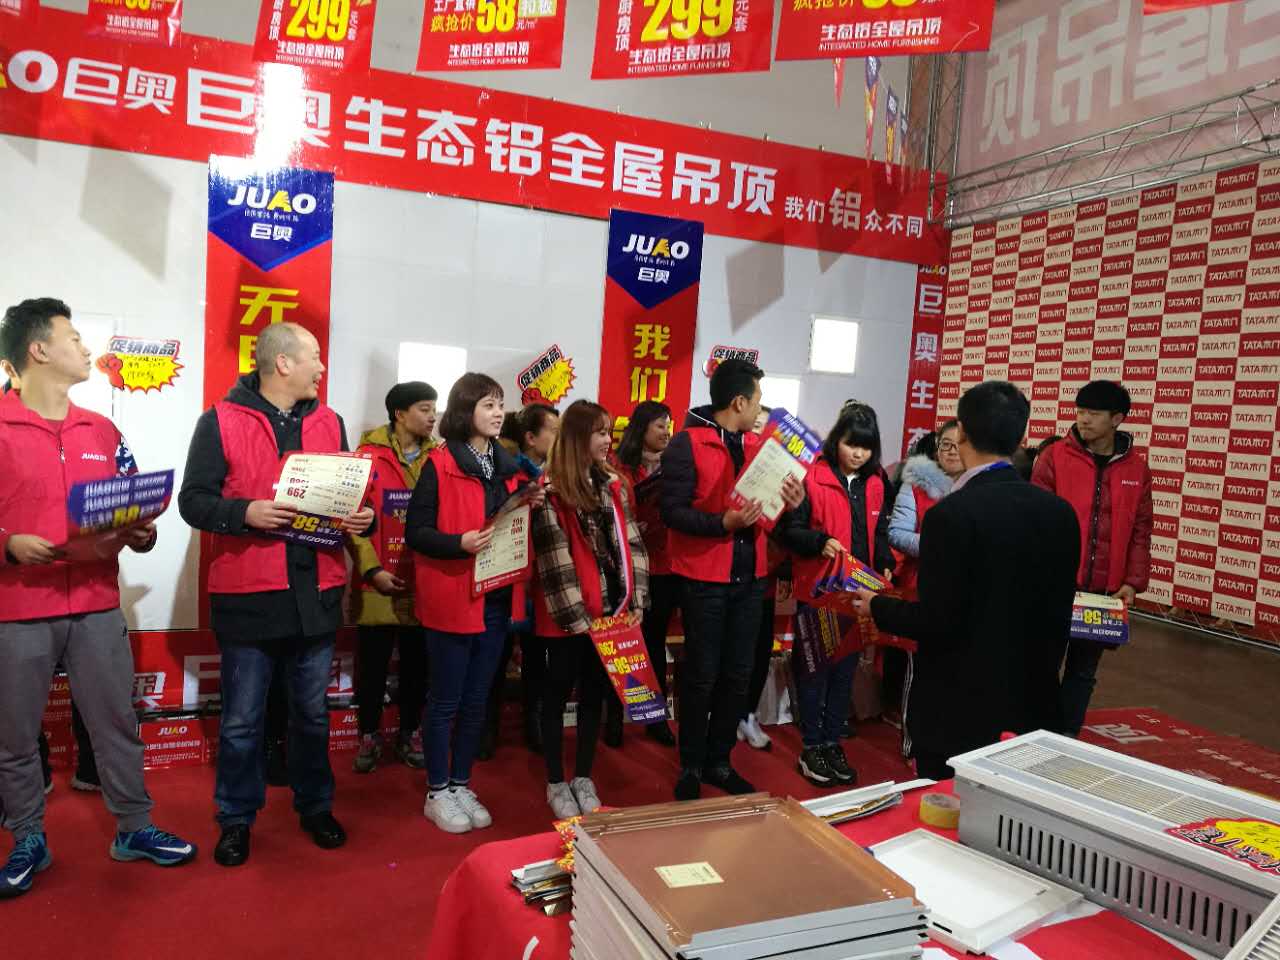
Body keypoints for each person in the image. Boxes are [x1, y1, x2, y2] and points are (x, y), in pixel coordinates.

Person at [0, 298, 196, 898]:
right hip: (17, 609)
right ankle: (28, 837)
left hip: (96, 603)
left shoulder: (102, 429)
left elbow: (127, 505)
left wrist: (141, 532)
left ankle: (133, 827)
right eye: (74, 338)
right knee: (13, 738)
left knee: (116, 725)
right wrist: (8, 545)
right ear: (37, 350)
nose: (87, 349)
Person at [179, 322, 372, 867]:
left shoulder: (330, 422)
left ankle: (316, 806)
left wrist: (363, 515)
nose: (322, 367)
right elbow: (193, 501)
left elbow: (349, 494)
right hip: (250, 596)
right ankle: (236, 818)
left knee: (312, 715)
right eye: (314, 357)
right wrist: (246, 512)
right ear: (282, 363)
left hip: (317, 592)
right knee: (242, 721)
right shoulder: (220, 420)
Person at [850, 381, 1080, 780]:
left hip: (960, 714)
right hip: (1033, 708)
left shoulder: (952, 515)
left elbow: (936, 620)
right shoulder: (1060, 513)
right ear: (1021, 438)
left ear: (962, 434)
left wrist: (877, 606)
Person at [661, 359, 803, 801]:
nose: (760, 410)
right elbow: (672, 513)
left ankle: (719, 761)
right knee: (701, 675)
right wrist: (722, 523)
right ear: (739, 402)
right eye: (757, 401)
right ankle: (690, 764)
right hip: (704, 578)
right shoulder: (687, 444)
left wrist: (791, 502)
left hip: (751, 578)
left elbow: (768, 518)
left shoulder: (761, 448)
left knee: (738, 674)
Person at [406, 373, 539, 834]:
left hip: (497, 597)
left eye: (500, 404)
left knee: (478, 699)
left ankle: (461, 783)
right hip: (452, 596)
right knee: (445, 700)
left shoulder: (508, 466)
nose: (498, 413)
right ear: (465, 411)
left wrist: (530, 501)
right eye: (488, 404)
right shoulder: (439, 464)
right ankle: (437, 791)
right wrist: (457, 543)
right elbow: (416, 533)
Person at [533, 401, 649, 817]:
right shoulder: (548, 490)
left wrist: (635, 599)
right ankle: (554, 781)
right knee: (557, 692)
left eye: (608, 432)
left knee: (594, 694)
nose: (607, 441)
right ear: (578, 437)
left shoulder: (613, 485)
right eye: (600, 433)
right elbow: (554, 561)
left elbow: (632, 544)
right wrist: (579, 620)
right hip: (568, 618)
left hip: (610, 615)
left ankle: (583, 775)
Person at [778, 402, 894, 787]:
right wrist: (819, 541)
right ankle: (811, 747)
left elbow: (879, 532)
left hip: (859, 593)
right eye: (851, 444)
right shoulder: (811, 477)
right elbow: (788, 530)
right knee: (814, 672)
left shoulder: (876, 483)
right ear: (836, 440)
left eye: (866, 447)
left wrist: (884, 562)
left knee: (844, 674)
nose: (858, 453)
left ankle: (832, 743)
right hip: (819, 592)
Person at [1031, 381, 1152, 736]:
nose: (1083, 419)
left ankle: (1066, 737)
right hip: (1055, 586)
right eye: (1080, 411)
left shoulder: (1137, 469)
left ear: (1117, 419)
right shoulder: (1054, 457)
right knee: (1041, 666)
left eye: (1094, 414)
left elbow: (1141, 530)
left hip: (1104, 594)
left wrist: (1132, 583)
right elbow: (1035, 520)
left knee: (1083, 672)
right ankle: (1034, 735)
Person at [347, 382, 438, 774]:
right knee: (372, 668)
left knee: (418, 668)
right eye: (424, 409)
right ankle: (369, 735)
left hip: (424, 583)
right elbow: (351, 519)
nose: (433, 417)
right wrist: (372, 570)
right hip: (377, 584)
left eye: (434, 409)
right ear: (400, 414)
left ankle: (410, 733)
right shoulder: (366, 457)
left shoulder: (441, 457)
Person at [482, 403, 559, 758]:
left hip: (543, 580)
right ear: (530, 437)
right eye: (553, 431)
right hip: (503, 576)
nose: (559, 438)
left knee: (538, 660)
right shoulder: (504, 471)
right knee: (493, 660)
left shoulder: (560, 473)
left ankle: (535, 724)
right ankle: (486, 729)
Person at [884, 420, 963, 737]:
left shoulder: (978, 488)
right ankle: (913, 735)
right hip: (921, 584)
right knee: (918, 664)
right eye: (946, 445)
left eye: (959, 445)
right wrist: (941, 546)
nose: (952, 452)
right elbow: (897, 534)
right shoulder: (916, 484)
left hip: (964, 590)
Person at [609, 400, 677, 748]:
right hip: (622, 566)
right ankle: (612, 718)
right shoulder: (616, 466)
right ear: (641, 428)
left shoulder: (675, 467)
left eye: (669, 425)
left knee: (654, 643)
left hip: (662, 566)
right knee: (619, 643)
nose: (666, 432)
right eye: (660, 425)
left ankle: (655, 718)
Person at [738, 405, 781, 752]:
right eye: (754, 428)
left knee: (760, 652)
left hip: (766, 580)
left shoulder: (785, 476)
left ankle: (747, 714)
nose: (759, 436)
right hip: (732, 578)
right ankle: (725, 714)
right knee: (733, 655)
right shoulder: (734, 466)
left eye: (765, 430)